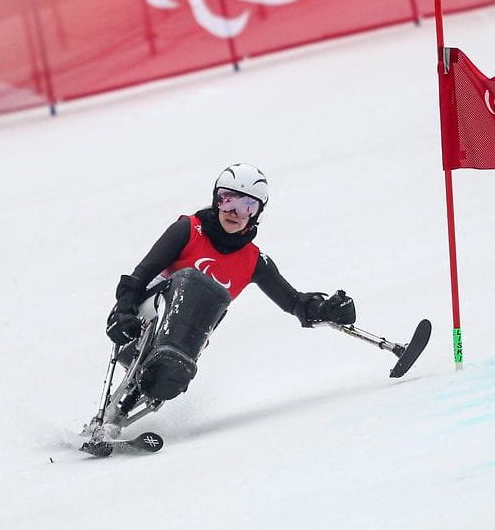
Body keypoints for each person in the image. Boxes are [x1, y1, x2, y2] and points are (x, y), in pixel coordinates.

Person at [99, 163, 356, 432]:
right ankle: (117, 407)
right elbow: (139, 277)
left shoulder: (254, 261)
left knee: (190, 333)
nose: (234, 212)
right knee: (194, 281)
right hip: (140, 320)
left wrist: (326, 309)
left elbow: (294, 303)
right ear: (215, 200)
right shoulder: (187, 230)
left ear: (257, 214)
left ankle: (120, 415)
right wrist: (123, 309)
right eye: (227, 200)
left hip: (183, 345)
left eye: (247, 206)